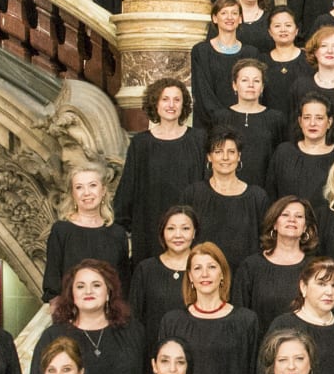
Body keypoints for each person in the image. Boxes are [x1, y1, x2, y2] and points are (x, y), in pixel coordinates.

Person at [27, 260, 146, 374]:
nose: (88, 291)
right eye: (81, 286)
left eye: (96, 285)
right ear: (71, 294)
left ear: (108, 292)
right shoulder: (53, 337)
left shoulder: (133, 332)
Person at [159, 243, 262, 374]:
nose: (204, 274)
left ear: (222, 273)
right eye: (197, 268)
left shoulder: (246, 321)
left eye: (212, 267)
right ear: (190, 276)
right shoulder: (172, 321)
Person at [112, 80, 203, 256]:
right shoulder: (141, 143)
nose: (171, 105)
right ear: (155, 103)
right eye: (165, 99)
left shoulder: (198, 139)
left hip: (190, 229)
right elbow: (128, 188)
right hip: (149, 228)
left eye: (176, 100)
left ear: (183, 104)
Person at [178, 127, 268, 268]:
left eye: (231, 152)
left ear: (239, 156)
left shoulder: (257, 197)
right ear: (209, 156)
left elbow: (265, 242)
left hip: (245, 277)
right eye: (218, 152)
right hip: (203, 277)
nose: (225, 157)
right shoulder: (193, 194)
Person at [42, 165, 130, 302]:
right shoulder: (61, 231)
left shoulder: (117, 233)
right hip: (71, 315)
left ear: (103, 191)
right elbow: (53, 282)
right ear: (72, 194)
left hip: (111, 315)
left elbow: (124, 283)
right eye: (79, 187)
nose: (86, 192)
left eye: (92, 185)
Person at [212, 59, 287, 192]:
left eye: (256, 81)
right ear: (234, 85)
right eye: (245, 80)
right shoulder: (220, 117)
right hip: (226, 190)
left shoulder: (276, 118)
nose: (251, 85)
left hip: (265, 191)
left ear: (262, 87)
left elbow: (281, 161)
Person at [127, 205, 201, 338]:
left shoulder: (203, 269)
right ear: (162, 232)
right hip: (154, 350)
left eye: (185, 228)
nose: (178, 235)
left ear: (194, 232)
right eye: (171, 228)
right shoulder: (146, 269)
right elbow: (134, 319)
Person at [243, 195, 318, 326]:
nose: (292, 220)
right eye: (285, 215)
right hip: (262, 344)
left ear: (305, 227)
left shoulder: (315, 267)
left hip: (305, 343)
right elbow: (241, 318)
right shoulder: (251, 266)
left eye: (299, 216)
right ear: (274, 223)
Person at [267, 97, 334, 218]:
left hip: (330, 228)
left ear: (329, 122)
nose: (312, 123)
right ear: (300, 121)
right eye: (307, 117)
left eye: (319, 118)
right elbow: (271, 194)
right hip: (290, 229)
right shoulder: (283, 152)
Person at [191, 0, 249, 125]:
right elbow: (202, 92)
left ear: (240, 19)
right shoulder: (201, 51)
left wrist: (238, 116)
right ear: (215, 18)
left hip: (242, 122)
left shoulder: (251, 53)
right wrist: (225, 118)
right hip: (208, 123)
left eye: (234, 13)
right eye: (224, 13)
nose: (229, 17)